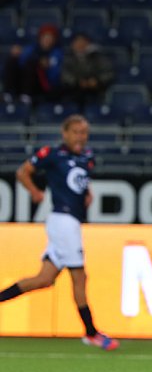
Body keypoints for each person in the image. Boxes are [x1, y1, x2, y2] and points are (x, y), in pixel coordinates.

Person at [0, 115, 119, 351]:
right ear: (64, 133)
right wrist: (35, 191)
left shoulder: (88, 158)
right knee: (80, 277)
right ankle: (92, 333)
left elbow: (80, 182)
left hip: (70, 222)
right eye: (75, 132)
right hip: (63, 220)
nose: (80, 137)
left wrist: (87, 193)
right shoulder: (52, 155)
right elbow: (23, 171)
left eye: (83, 133)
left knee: (43, 280)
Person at [3, 23, 63, 103]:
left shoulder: (57, 53)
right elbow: (22, 62)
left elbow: (55, 76)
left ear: (54, 39)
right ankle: (8, 93)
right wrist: (18, 54)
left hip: (43, 84)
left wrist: (45, 67)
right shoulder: (32, 48)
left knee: (32, 63)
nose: (47, 40)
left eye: (50, 37)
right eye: (45, 37)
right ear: (40, 38)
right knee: (13, 60)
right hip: (24, 81)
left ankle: (26, 95)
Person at [60, 33, 115, 110]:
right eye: (77, 42)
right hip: (73, 92)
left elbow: (108, 73)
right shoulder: (67, 57)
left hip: (96, 92)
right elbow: (64, 74)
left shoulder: (97, 57)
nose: (79, 45)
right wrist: (78, 82)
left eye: (82, 42)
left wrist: (97, 80)